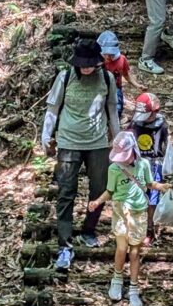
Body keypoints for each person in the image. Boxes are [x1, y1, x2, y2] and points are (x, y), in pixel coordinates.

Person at [41, 39, 120, 270]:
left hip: (97, 142)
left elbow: (112, 109)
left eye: (90, 64)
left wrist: (118, 139)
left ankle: (89, 229)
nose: (85, 68)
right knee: (66, 191)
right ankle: (65, 245)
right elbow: (52, 109)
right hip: (68, 141)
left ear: (98, 63)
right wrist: (46, 136)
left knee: (100, 189)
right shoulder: (65, 77)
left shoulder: (107, 79)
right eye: (82, 64)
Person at [88, 131, 170, 306]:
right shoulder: (114, 169)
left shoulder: (143, 165)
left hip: (139, 213)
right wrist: (97, 202)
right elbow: (110, 191)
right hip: (120, 211)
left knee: (134, 252)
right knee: (121, 248)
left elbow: (149, 183)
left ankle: (133, 287)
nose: (122, 159)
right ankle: (117, 279)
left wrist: (160, 186)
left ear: (134, 150)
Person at [127, 92, 169, 245]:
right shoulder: (134, 124)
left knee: (152, 199)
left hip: (155, 164)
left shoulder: (162, 124)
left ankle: (149, 229)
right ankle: (135, 226)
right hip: (137, 164)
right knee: (135, 195)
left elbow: (167, 145)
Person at [96, 30, 146, 118]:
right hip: (98, 88)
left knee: (118, 108)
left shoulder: (121, 60)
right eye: (105, 54)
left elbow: (126, 75)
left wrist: (137, 85)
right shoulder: (96, 60)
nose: (108, 57)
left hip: (115, 88)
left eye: (111, 54)